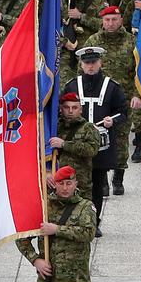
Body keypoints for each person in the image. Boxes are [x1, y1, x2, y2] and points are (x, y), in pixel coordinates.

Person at [66, 47, 128, 210]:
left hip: (101, 145)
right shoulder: (72, 86)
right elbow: (62, 110)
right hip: (76, 144)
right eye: (87, 63)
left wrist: (112, 121)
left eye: (93, 62)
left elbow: (123, 112)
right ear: (81, 64)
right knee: (74, 182)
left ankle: (95, 221)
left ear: (100, 62)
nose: (90, 66)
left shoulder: (112, 86)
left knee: (97, 183)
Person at [80, 7, 141, 164]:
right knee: (95, 137)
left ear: (121, 20)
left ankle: (118, 179)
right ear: (102, 21)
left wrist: (137, 94)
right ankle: (100, 179)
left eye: (114, 19)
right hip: (98, 99)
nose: (110, 23)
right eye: (107, 20)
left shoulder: (132, 41)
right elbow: (81, 70)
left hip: (123, 99)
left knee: (121, 140)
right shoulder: (93, 41)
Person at [49, 92, 103, 227]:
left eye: (75, 107)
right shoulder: (54, 127)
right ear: (61, 108)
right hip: (56, 181)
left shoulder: (88, 128)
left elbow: (92, 150)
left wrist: (64, 144)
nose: (71, 111)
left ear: (80, 109)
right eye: (67, 107)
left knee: (81, 216)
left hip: (80, 181)